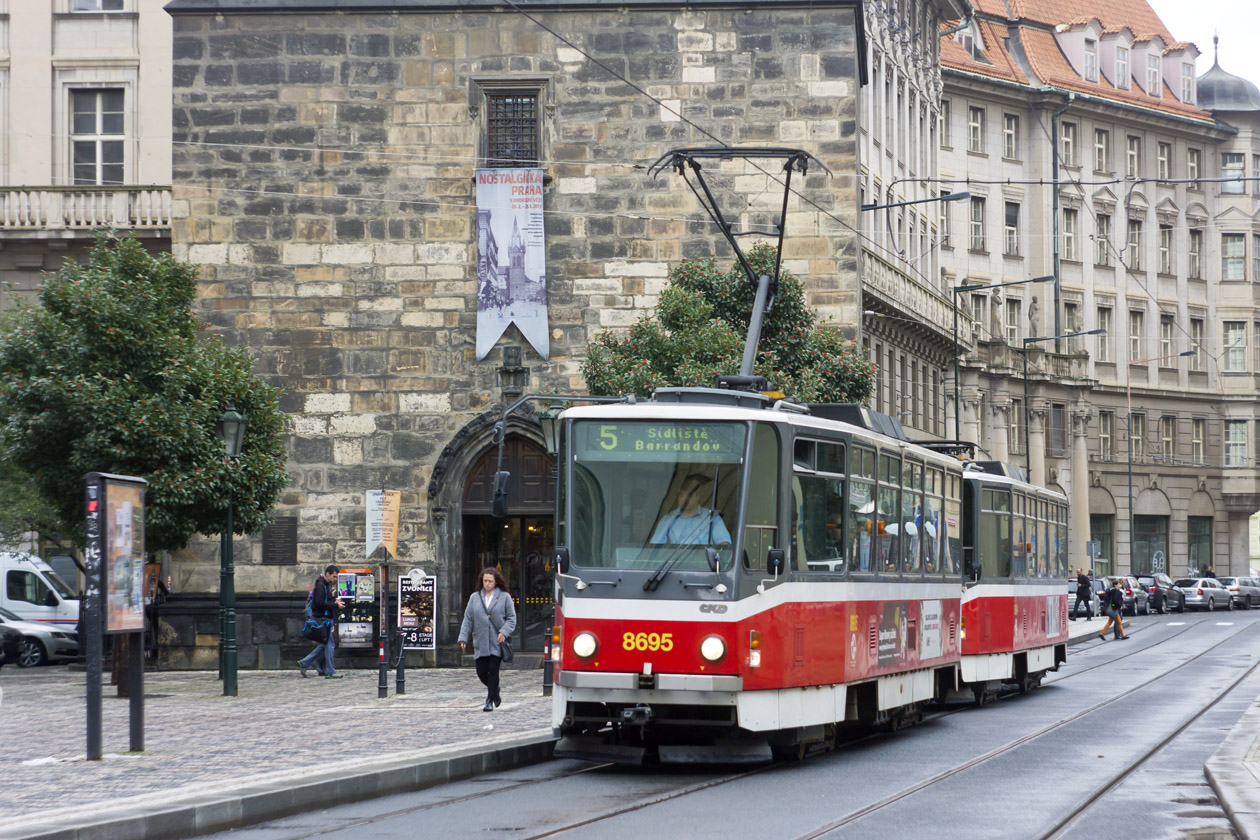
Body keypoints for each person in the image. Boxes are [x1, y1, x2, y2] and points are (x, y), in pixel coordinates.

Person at [459, 567, 517, 712]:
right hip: (480, 640)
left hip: (497, 641)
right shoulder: (475, 598)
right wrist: (463, 637)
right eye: (485, 581)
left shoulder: (504, 597)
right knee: (481, 671)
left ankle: (489, 700)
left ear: (496, 582)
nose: (487, 584)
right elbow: (468, 619)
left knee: (493, 670)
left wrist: (504, 631)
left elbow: (511, 618)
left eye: (490, 581)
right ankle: (495, 691)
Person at [650, 474, 732, 546]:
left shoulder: (712, 518)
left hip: (704, 563)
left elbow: (724, 545)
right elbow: (655, 549)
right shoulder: (667, 520)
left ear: (697, 496)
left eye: (689, 495)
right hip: (673, 563)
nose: (684, 499)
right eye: (681, 495)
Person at [299, 565, 345, 678]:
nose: (335, 579)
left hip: (325, 618)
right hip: (322, 619)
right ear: (327, 574)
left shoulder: (325, 585)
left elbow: (325, 600)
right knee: (329, 644)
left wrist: (335, 600)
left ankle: (305, 662)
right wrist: (335, 604)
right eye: (334, 576)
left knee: (326, 644)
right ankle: (330, 672)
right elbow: (319, 603)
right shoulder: (321, 585)